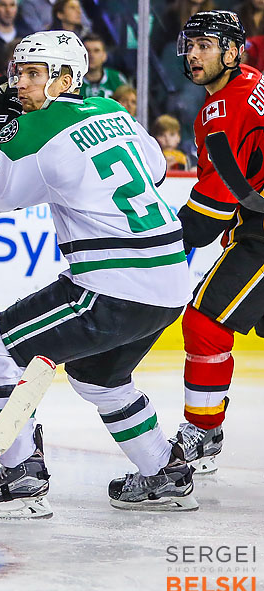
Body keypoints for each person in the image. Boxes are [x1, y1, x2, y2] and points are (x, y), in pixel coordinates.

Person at [0, 30, 195, 519]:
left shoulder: (33, 129)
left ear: (66, 78)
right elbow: (155, 170)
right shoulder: (113, 110)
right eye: (18, 73)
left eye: (33, 73)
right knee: (100, 377)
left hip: (114, 285)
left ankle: (20, 475)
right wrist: (16, 129)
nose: (20, 83)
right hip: (171, 281)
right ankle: (163, 473)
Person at [168, 11, 264, 475]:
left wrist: (161, 241)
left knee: (205, 321)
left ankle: (203, 431)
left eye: (205, 45)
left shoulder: (222, 112)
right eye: (190, 45)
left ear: (232, 52)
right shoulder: (252, 80)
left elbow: (209, 213)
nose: (193, 54)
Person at [80, 33, 129, 100]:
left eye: (96, 51)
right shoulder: (72, 80)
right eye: (87, 50)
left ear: (104, 55)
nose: (91, 55)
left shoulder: (117, 79)